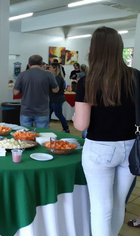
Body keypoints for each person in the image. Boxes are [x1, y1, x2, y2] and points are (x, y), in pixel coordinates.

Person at [73, 26, 136, 236]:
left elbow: (81, 125)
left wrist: (74, 117)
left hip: (100, 148)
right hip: (131, 147)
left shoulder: (87, 81)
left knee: (101, 208)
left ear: (94, 50)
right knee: (118, 204)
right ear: (119, 48)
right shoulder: (135, 76)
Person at [13, 55, 59, 129]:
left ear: (29, 64)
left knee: (26, 136)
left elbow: (15, 92)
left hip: (26, 110)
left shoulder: (22, 75)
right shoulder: (48, 74)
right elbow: (55, 90)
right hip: (42, 111)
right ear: (41, 64)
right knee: (42, 135)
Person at [48, 63, 69, 133]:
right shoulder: (55, 77)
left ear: (54, 68)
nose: (49, 69)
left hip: (57, 99)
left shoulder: (58, 78)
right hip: (52, 99)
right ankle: (45, 127)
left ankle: (66, 128)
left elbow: (55, 89)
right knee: (48, 114)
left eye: (50, 67)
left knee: (59, 114)